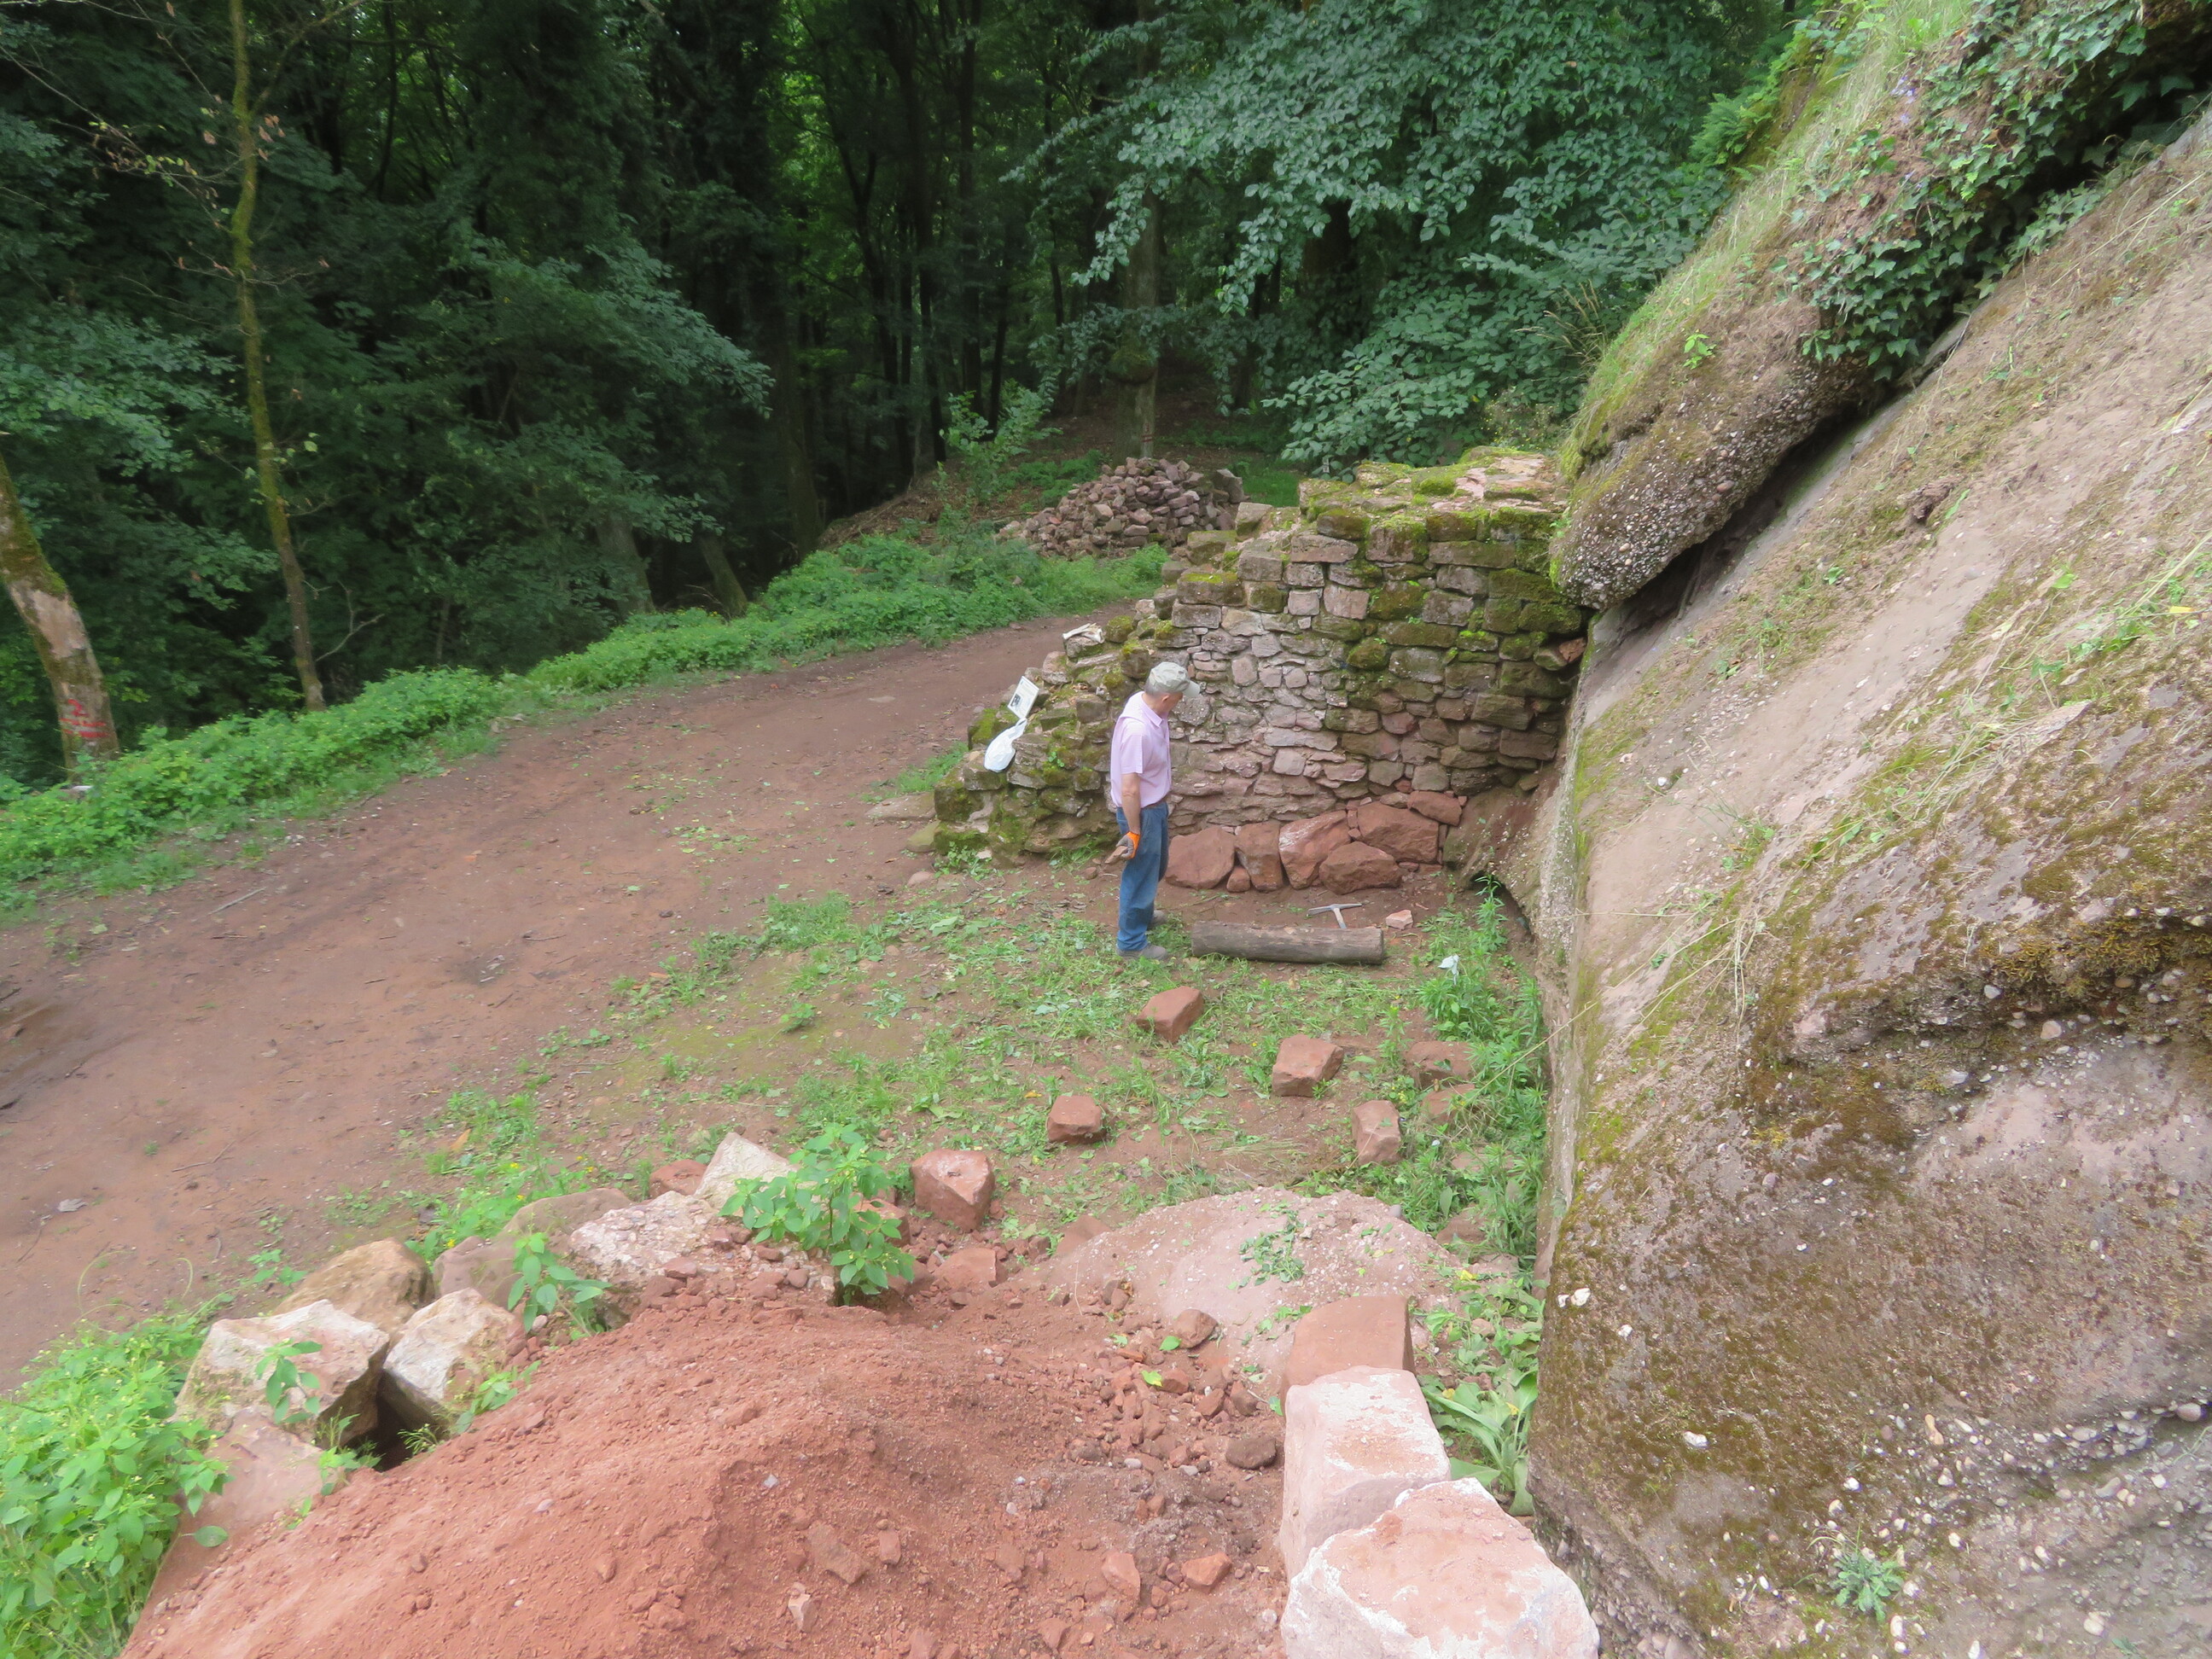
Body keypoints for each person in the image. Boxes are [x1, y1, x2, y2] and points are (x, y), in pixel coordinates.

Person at [1107, 660, 1187, 961]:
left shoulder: (1149, 706)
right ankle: (1130, 943)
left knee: (1156, 866)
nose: (1181, 701)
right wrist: (1134, 831)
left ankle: (1143, 914)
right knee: (1141, 873)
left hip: (1155, 806)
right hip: (1142, 812)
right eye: (1179, 697)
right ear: (1166, 697)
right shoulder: (1138, 731)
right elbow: (1129, 789)